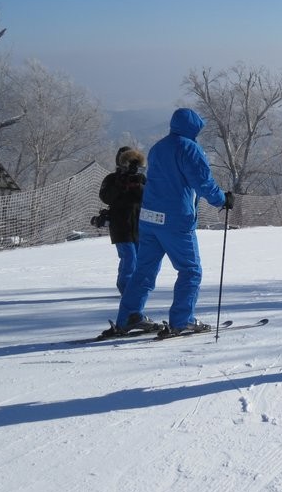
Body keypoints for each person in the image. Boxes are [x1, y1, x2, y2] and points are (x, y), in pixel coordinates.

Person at [106, 108, 233, 337]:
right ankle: (182, 320)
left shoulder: (158, 147)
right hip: (176, 220)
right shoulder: (189, 148)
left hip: (149, 218)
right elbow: (202, 182)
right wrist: (222, 199)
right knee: (190, 270)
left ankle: (129, 316)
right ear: (192, 127)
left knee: (143, 270)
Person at [98, 146, 147, 293]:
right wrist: (120, 185)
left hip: (139, 225)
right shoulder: (112, 179)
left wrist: (137, 185)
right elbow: (105, 197)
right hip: (120, 226)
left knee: (136, 259)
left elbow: (149, 198)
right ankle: (126, 290)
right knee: (130, 258)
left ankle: (129, 287)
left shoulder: (141, 179)